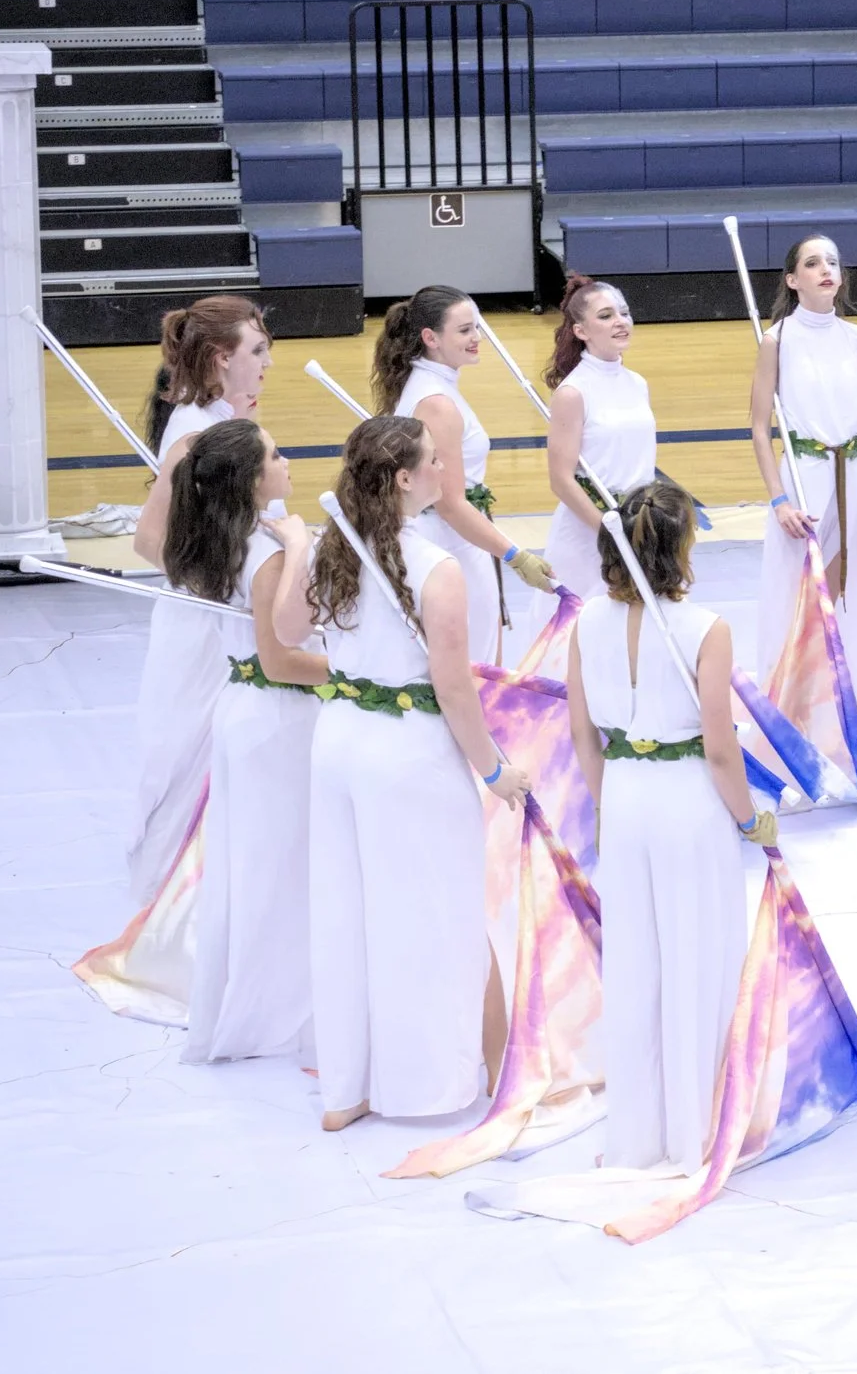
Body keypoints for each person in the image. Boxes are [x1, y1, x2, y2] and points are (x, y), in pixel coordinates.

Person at [283, 414, 531, 1131]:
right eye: (431, 461)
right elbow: (454, 688)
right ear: (402, 477)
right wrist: (495, 771)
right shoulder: (437, 568)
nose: (443, 471)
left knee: (347, 913)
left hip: (338, 743)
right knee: (436, 916)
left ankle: (349, 1088)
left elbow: (289, 631)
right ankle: (426, 1084)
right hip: (407, 756)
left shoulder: (335, 547)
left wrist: (302, 546)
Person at [567, 480, 774, 1172]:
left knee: (636, 965)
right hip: (688, 802)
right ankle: (698, 1127)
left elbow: (583, 735)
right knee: (696, 957)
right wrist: (751, 822)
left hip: (624, 796)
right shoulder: (705, 628)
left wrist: (610, 805)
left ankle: (640, 1130)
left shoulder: (585, 622)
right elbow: (720, 749)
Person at [165, 418, 325, 1065]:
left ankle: (254, 1000)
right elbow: (284, 654)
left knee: (254, 863)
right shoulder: (268, 553)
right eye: (277, 456)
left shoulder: (226, 538)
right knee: (283, 867)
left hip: (244, 711)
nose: (288, 462)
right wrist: (370, 675)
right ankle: (276, 1012)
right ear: (254, 480)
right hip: (277, 718)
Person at [128, 295, 274, 901]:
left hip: (238, 619)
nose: (268, 363)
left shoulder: (224, 422)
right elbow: (149, 539)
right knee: (193, 758)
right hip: (206, 629)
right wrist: (225, 585)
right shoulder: (195, 436)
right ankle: (173, 908)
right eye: (258, 351)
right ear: (222, 358)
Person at [373, 285, 557, 667]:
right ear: (430, 338)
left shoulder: (432, 388)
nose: (477, 338)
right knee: (475, 666)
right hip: (450, 543)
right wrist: (515, 555)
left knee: (479, 659)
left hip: (454, 540)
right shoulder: (437, 404)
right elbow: (451, 504)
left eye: (477, 328)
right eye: (464, 330)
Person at [749, 234, 857, 711]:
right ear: (793, 280)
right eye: (812, 262)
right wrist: (778, 499)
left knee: (841, 599)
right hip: (803, 478)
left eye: (832, 260)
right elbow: (758, 428)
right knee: (796, 601)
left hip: (852, 475)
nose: (825, 268)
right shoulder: (777, 340)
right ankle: (788, 711)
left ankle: (837, 711)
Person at [542, 274, 658, 600]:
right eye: (606, 316)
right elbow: (561, 480)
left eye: (624, 313)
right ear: (580, 331)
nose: (621, 322)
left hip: (638, 528)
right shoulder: (573, 393)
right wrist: (609, 534)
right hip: (589, 534)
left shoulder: (637, 383)